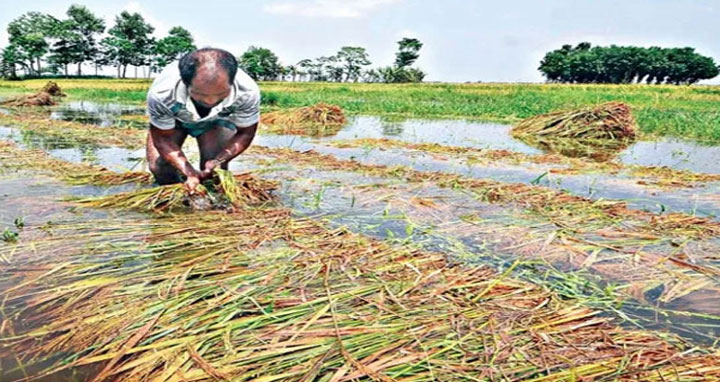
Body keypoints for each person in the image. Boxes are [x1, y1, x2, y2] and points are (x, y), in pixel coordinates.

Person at [146, 47, 259, 191]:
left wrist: (219, 160)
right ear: (185, 83)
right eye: (200, 94)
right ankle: (177, 200)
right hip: (176, 119)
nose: (211, 101)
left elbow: (245, 133)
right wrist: (189, 172)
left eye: (222, 93)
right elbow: (162, 139)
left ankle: (211, 207)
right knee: (160, 168)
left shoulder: (247, 92)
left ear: (232, 82)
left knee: (214, 172)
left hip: (215, 121)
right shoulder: (162, 93)